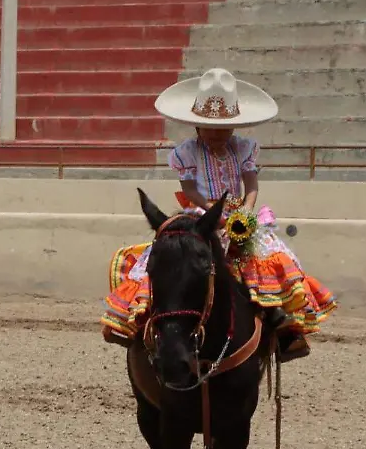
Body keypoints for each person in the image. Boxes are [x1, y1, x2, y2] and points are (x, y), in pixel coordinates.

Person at [101, 68, 337, 362]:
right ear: (197, 126)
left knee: (268, 255)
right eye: (211, 129)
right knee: (170, 260)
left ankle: (280, 325)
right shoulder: (187, 152)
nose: (218, 135)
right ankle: (141, 320)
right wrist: (214, 213)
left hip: (238, 215)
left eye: (225, 129)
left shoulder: (244, 149)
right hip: (201, 214)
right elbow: (189, 189)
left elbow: (251, 185)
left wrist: (245, 213)